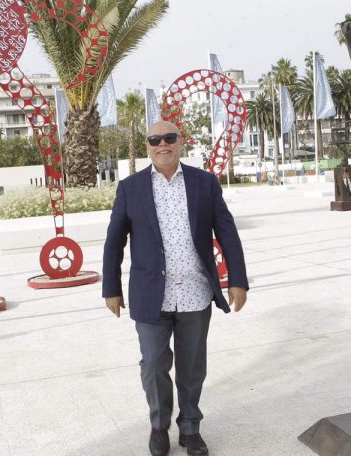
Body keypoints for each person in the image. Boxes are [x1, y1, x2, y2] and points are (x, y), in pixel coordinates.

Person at [102, 120, 248, 456]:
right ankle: (159, 425)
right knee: (153, 363)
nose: (162, 144)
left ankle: (190, 428)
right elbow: (114, 241)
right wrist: (111, 288)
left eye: (169, 138)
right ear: (147, 146)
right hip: (150, 295)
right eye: (155, 139)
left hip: (195, 292)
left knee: (192, 367)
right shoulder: (130, 188)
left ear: (180, 142)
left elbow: (227, 231)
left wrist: (237, 280)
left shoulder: (204, 183)